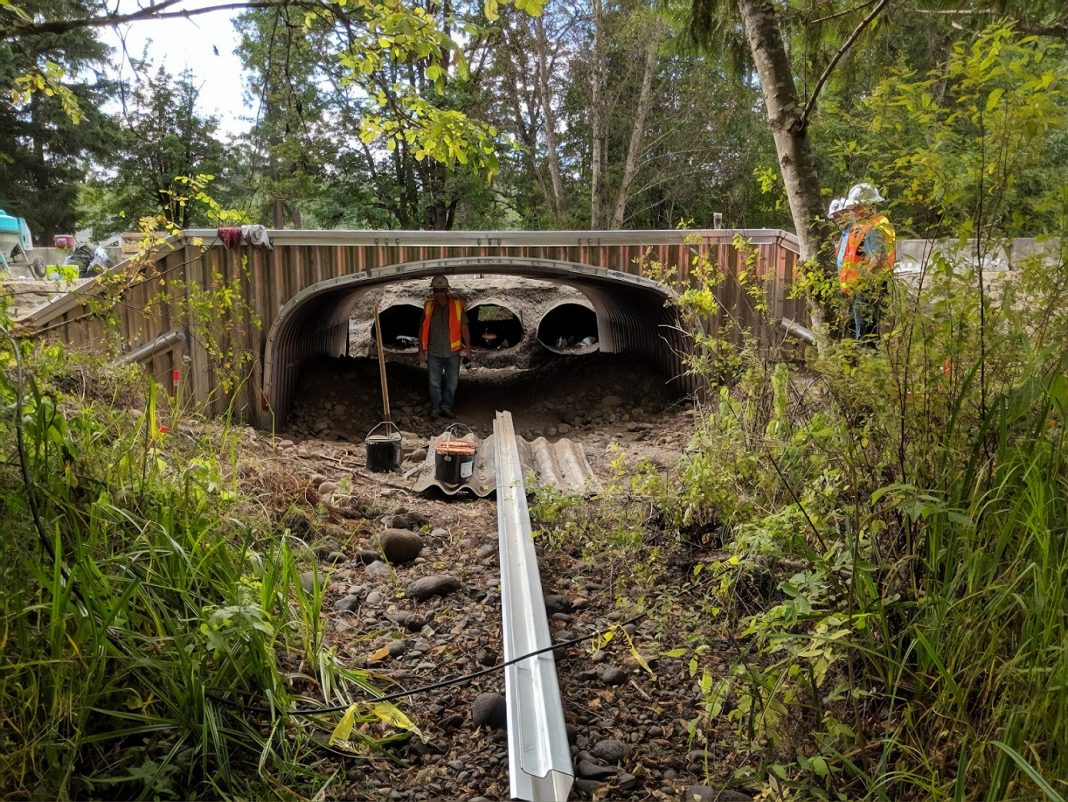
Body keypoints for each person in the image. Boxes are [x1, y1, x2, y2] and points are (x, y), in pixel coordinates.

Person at [838, 183, 896, 344]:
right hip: (863, 287)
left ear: (868, 206)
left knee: (865, 336)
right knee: (867, 332)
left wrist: (862, 285)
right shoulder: (867, 225)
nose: (851, 211)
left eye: (855, 207)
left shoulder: (874, 227)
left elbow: (878, 258)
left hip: (867, 288)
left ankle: (867, 364)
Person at [419, 274, 472, 418]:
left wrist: (468, 348)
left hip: (453, 352)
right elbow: (422, 329)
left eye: (441, 290)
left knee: (452, 382)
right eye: (436, 290)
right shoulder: (428, 306)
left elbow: (464, 328)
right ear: (433, 291)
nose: (439, 293)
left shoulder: (456, 305)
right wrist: (421, 350)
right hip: (434, 352)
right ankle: (436, 408)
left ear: (447, 291)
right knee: (434, 383)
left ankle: (446, 406)